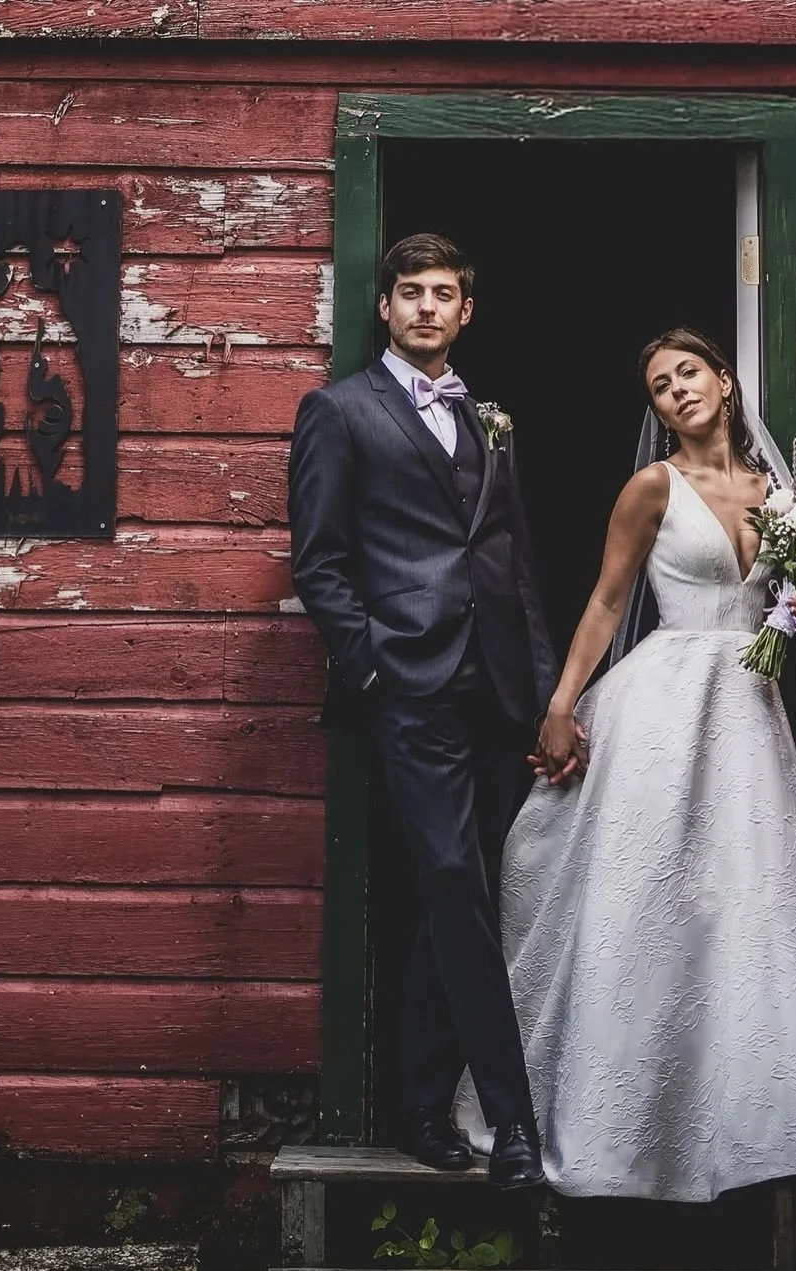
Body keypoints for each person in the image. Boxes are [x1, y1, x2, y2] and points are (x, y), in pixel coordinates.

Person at [454, 327, 796, 1201]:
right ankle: (617, 1120)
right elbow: (605, 599)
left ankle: (750, 1122)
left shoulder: (784, 496)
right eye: (661, 386)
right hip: (665, 699)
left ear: (726, 381)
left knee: (746, 903)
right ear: (657, 409)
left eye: (688, 374)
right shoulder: (650, 486)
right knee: (648, 895)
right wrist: (561, 705)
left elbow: (786, 602)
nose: (677, 391)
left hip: (749, 714)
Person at [288, 234, 556, 1189]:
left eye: (445, 293)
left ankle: (418, 1105)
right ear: (387, 308)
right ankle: (515, 1121)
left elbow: (514, 559)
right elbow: (317, 562)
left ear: (466, 310)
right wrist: (375, 665)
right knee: (452, 877)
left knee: (464, 889)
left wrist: (545, 692)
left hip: (496, 687)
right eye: (412, 293)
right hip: (411, 684)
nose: (429, 308)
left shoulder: (488, 417)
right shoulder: (338, 411)